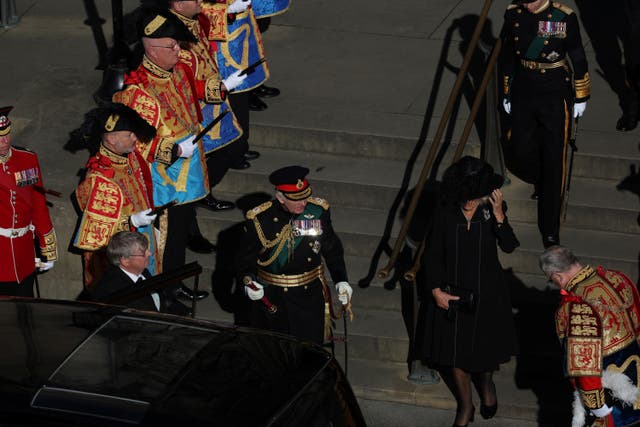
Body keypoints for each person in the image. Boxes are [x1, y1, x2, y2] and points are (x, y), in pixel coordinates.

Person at [113, 8, 209, 301]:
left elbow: (190, 101)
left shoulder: (177, 70)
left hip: (186, 168)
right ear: (152, 50)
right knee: (164, 237)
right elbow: (140, 141)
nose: (178, 50)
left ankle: (174, 281)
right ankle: (165, 287)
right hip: (161, 177)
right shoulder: (137, 92)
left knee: (180, 228)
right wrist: (176, 149)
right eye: (171, 46)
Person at [421, 156, 519, 427]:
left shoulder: (491, 210)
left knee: (483, 353)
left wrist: (500, 216)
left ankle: (487, 387)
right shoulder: (445, 211)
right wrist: (435, 290)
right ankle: (465, 406)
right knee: (456, 354)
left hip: (487, 293)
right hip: (452, 292)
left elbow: (510, 246)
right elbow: (433, 254)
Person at [501, 0, 590, 248]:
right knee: (519, 147)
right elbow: (508, 55)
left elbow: (578, 55)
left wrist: (581, 94)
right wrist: (507, 90)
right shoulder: (513, 14)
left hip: (553, 91)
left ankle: (550, 229)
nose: (528, 5)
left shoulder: (563, 17)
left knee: (554, 159)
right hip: (524, 89)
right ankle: (539, 176)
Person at [235, 166, 353, 345]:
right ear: (280, 197)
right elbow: (245, 260)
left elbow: (332, 248)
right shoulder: (260, 220)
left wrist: (341, 280)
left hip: (308, 296)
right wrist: (249, 282)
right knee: (273, 354)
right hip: (273, 298)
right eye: (296, 199)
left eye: (305, 197)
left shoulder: (317, 211)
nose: (303, 203)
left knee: (309, 354)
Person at [540, 246, 640, 427]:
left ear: (557, 276)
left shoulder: (575, 305)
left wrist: (596, 405)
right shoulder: (617, 277)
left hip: (611, 398)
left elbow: (585, 364)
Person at [168, 0, 246, 212]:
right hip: (195, 106)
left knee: (227, 147)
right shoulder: (171, 33)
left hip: (210, 98)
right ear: (178, 5)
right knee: (217, 152)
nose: (199, 2)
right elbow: (183, 80)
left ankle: (202, 191)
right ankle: (201, 193)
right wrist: (220, 87)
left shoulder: (188, 20)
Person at [73, 103, 160, 286]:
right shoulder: (99, 178)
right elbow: (96, 234)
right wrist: (131, 221)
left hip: (139, 245)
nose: (135, 138)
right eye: (129, 135)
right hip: (117, 262)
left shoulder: (128, 157)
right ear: (112, 140)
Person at [0, 106, 57, 296]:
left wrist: (47, 248)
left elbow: (38, 205)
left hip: (24, 254)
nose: (4, 141)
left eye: (7, 134)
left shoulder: (27, 158)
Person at [89, 231, 164, 312]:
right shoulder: (110, 290)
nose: (149, 253)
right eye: (143, 253)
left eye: (147, 249)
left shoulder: (143, 272)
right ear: (125, 261)